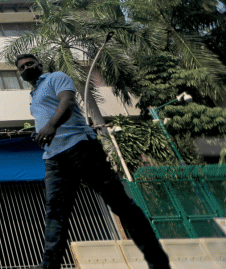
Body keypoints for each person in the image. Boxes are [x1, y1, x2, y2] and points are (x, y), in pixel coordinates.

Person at [14, 54, 171, 269]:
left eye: (30, 63)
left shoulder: (56, 78)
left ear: (40, 64)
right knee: (55, 212)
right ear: (20, 74)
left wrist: (51, 126)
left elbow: (67, 102)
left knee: (120, 204)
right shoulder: (34, 94)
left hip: (80, 147)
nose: (26, 67)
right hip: (53, 158)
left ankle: (158, 261)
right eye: (22, 67)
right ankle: (49, 265)